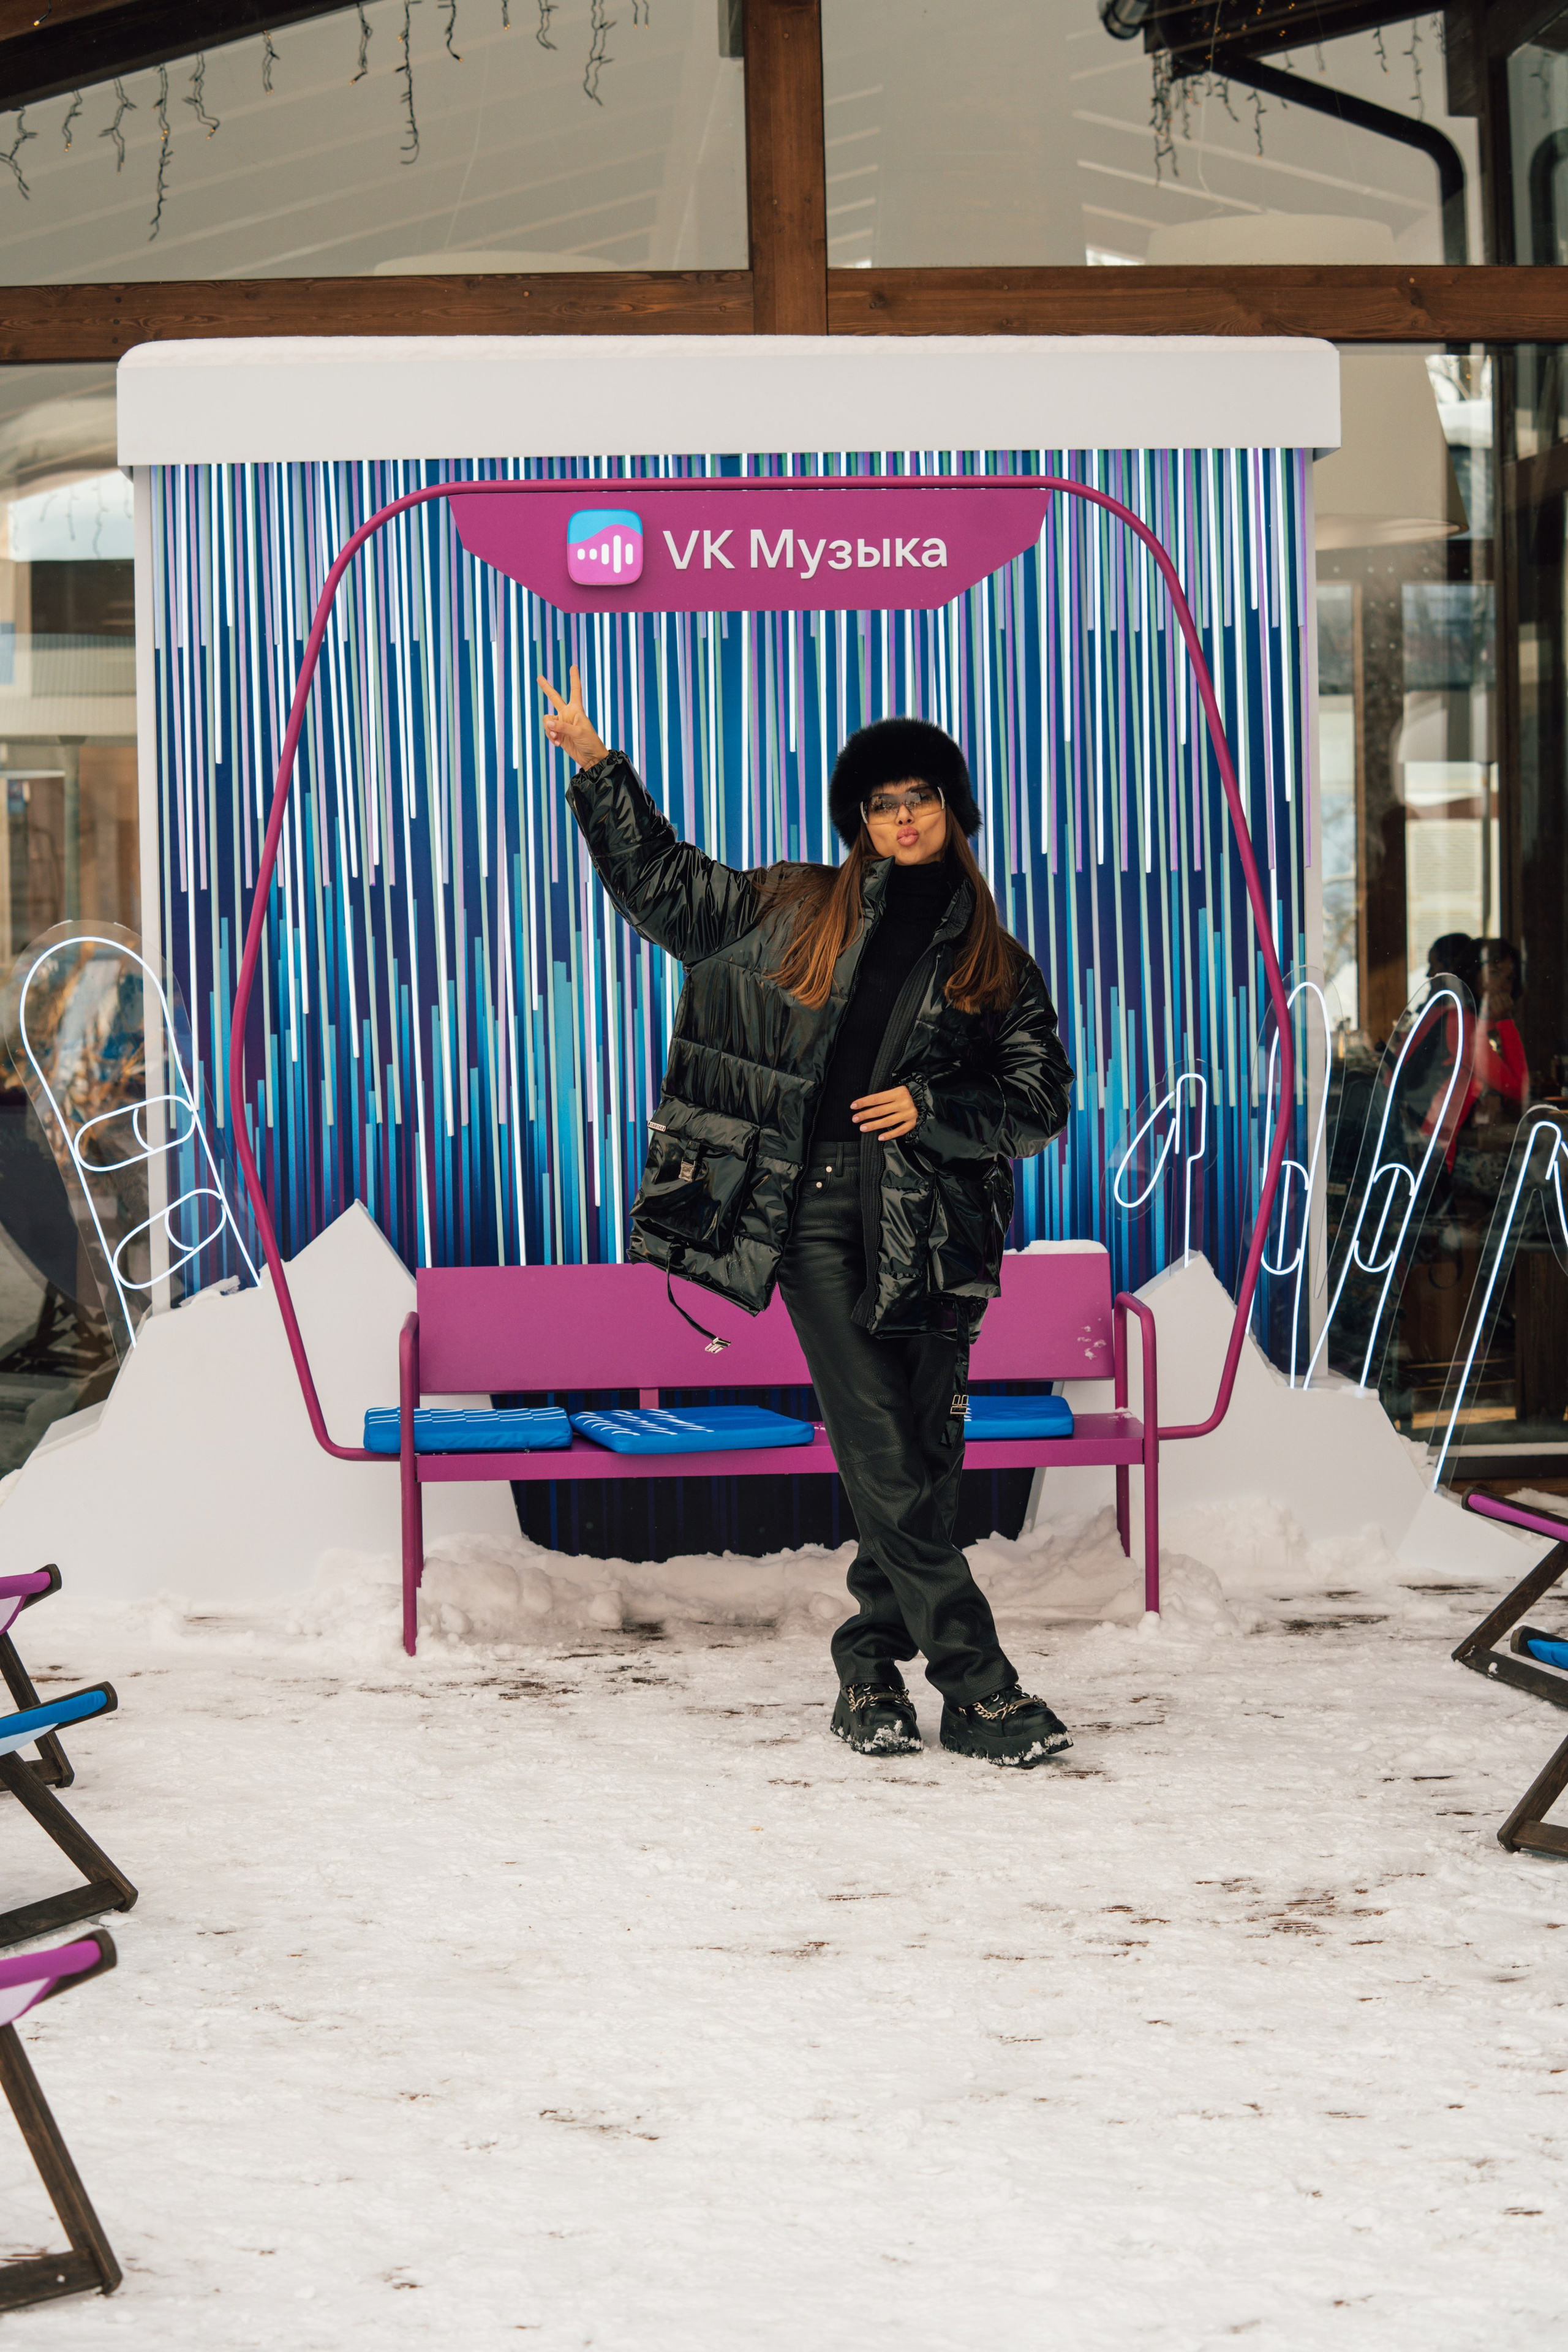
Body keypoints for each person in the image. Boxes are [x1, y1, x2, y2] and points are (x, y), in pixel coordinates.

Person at [539, 665, 1076, 1770]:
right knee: (882, 1446)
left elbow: (1040, 1101)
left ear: (953, 811)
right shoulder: (793, 909)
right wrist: (601, 774)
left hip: (938, 1232)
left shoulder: (993, 962)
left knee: (917, 1459)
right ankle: (979, 1688)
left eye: (921, 797)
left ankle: (870, 1674)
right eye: (882, 803)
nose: (904, 818)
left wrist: (935, 1109)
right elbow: (668, 891)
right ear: (859, 822)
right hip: (818, 1218)